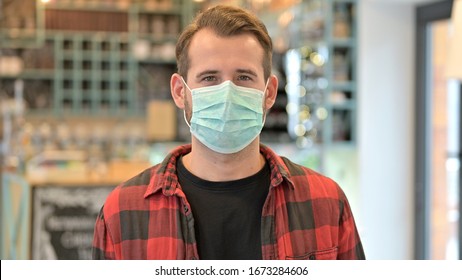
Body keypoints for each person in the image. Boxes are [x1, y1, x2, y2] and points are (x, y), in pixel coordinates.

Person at [92, 4, 365, 260]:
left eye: (243, 77)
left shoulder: (325, 203)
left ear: (269, 92)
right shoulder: (123, 214)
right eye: (209, 78)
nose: (227, 93)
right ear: (179, 91)